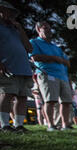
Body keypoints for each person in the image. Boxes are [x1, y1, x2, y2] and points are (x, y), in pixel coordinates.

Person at [29, 21, 73, 131]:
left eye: (49, 28)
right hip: (47, 74)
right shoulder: (34, 42)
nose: (49, 30)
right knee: (50, 100)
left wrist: (58, 59)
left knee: (66, 101)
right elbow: (34, 57)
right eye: (45, 28)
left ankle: (65, 125)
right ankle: (51, 125)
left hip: (63, 76)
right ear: (39, 29)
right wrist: (55, 59)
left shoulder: (56, 48)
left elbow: (67, 62)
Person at [0, 1, 33, 133]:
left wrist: (20, 29)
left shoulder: (15, 29)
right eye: (7, 11)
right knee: (7, 93)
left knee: (23, 96)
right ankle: (4, 124)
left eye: (12, 13)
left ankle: (19, 125)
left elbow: (29, 48)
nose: (10, 15)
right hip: (8, 66)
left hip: (23, 67)